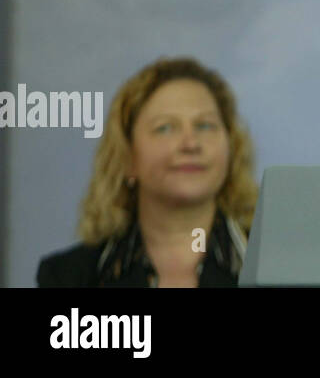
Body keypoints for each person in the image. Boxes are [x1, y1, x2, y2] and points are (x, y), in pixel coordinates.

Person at [37, 56, 258, 287]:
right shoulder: (68, 277)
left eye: (205, 125)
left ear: (231, 147)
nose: (191, 143)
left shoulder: (281, 268)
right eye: (165, 128)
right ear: (127, 157)